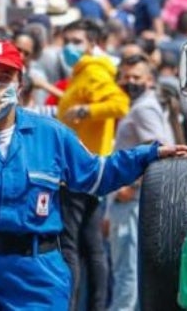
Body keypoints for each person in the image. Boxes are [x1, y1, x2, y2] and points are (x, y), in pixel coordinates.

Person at [0, 39, 187, 311]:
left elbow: (95, 176)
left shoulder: (51, 134)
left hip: (34, 276)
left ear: (20, 85)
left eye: (4, 78)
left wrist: (148, 154)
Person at [56, 20, 130, 311]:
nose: (70, 47)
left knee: (71, 247)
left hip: (79, 170)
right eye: (67, 40)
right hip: (87, 170)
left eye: (76, 40)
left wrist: (84, 110)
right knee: (91, 247)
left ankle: (71, 306)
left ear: (91, 44)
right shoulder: (84, 71)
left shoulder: (93, 70)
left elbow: (120, 104)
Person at [107, 55, 174, 311]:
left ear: (149, 79)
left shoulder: (144, 108)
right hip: (131, 201)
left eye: (136, 77)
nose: (130, 82)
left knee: (127, 274)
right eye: (125, 77)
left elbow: (162, 152)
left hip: (133, 202)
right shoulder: (141, 106)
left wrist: (131, 186)